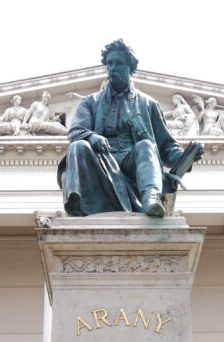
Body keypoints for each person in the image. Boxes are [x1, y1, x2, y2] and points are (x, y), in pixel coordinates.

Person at [59, 39, 203, 218]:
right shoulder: (90, 102)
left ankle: (151, 198)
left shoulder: (148, 104)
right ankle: (77, 204)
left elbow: (166, 146)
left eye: (118, 63)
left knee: (145, 145)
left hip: (134, 164)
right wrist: (92, 138)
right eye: (109, 63)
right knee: (77, 146)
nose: (112, 68)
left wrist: (185, 158)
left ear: (131, 68)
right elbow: (75, 132)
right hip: (101, 162)